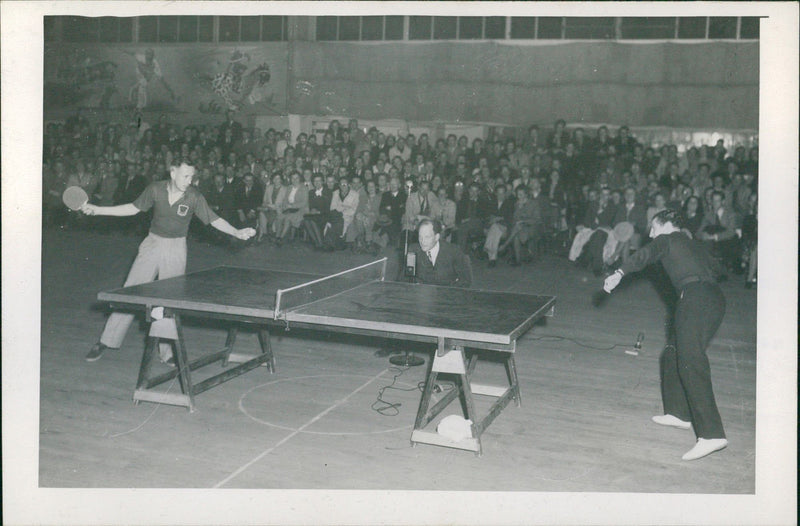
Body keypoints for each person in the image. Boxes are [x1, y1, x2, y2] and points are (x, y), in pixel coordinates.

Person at [81, 162, 255, 362]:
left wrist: (236, 231)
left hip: (176, 248)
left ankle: (166, 352)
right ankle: (107, 340)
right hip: (152, 244)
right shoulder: (155, 189)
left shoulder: (194, 196)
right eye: (185, 176)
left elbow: (214, 219)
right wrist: (98, 210)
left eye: (192, 177)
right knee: (130, 292)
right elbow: (132, 208)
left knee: (168, 300)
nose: (189, 181)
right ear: (173, 173)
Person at [603, 209, 727, 461]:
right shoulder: (690, 243)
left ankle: (712, 434)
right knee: (672, 353)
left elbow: (644, 256)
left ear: (666, 224)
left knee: (691, 361)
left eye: (653, 227)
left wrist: (618, 273)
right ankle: (679, 413)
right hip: (711, 298)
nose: (650, 233)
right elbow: (716, 269)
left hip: (696, 297)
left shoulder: (668, 238)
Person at [407, 219, 472, 288]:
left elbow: (466, 280)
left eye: (427, 237)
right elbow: (407, 277)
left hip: (446, 295)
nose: (422, 241)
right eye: (420, 237)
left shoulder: (454, 252)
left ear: (436, 237)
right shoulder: (413, 250)